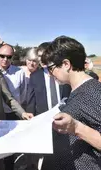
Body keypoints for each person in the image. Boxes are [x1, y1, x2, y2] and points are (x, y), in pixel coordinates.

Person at [40, 36, 101, 170]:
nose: (50, 74)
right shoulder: (75, 90)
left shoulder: (92, 92)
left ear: (66, 64)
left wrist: (76, 128)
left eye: (51, 68)